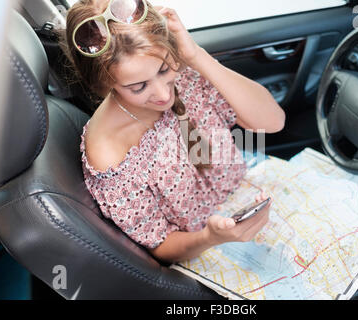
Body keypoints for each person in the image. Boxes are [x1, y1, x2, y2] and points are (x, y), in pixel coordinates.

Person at [61, 0, 286, 263]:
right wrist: (211, 237)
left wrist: (196, 56)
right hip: (202, 243)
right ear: (105, 85)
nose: (163, 93)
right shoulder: (110, 153)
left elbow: (273, 122)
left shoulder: (187, 72)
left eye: (164, 69)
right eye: (138, 86)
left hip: (245, 186)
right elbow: (159, 244)